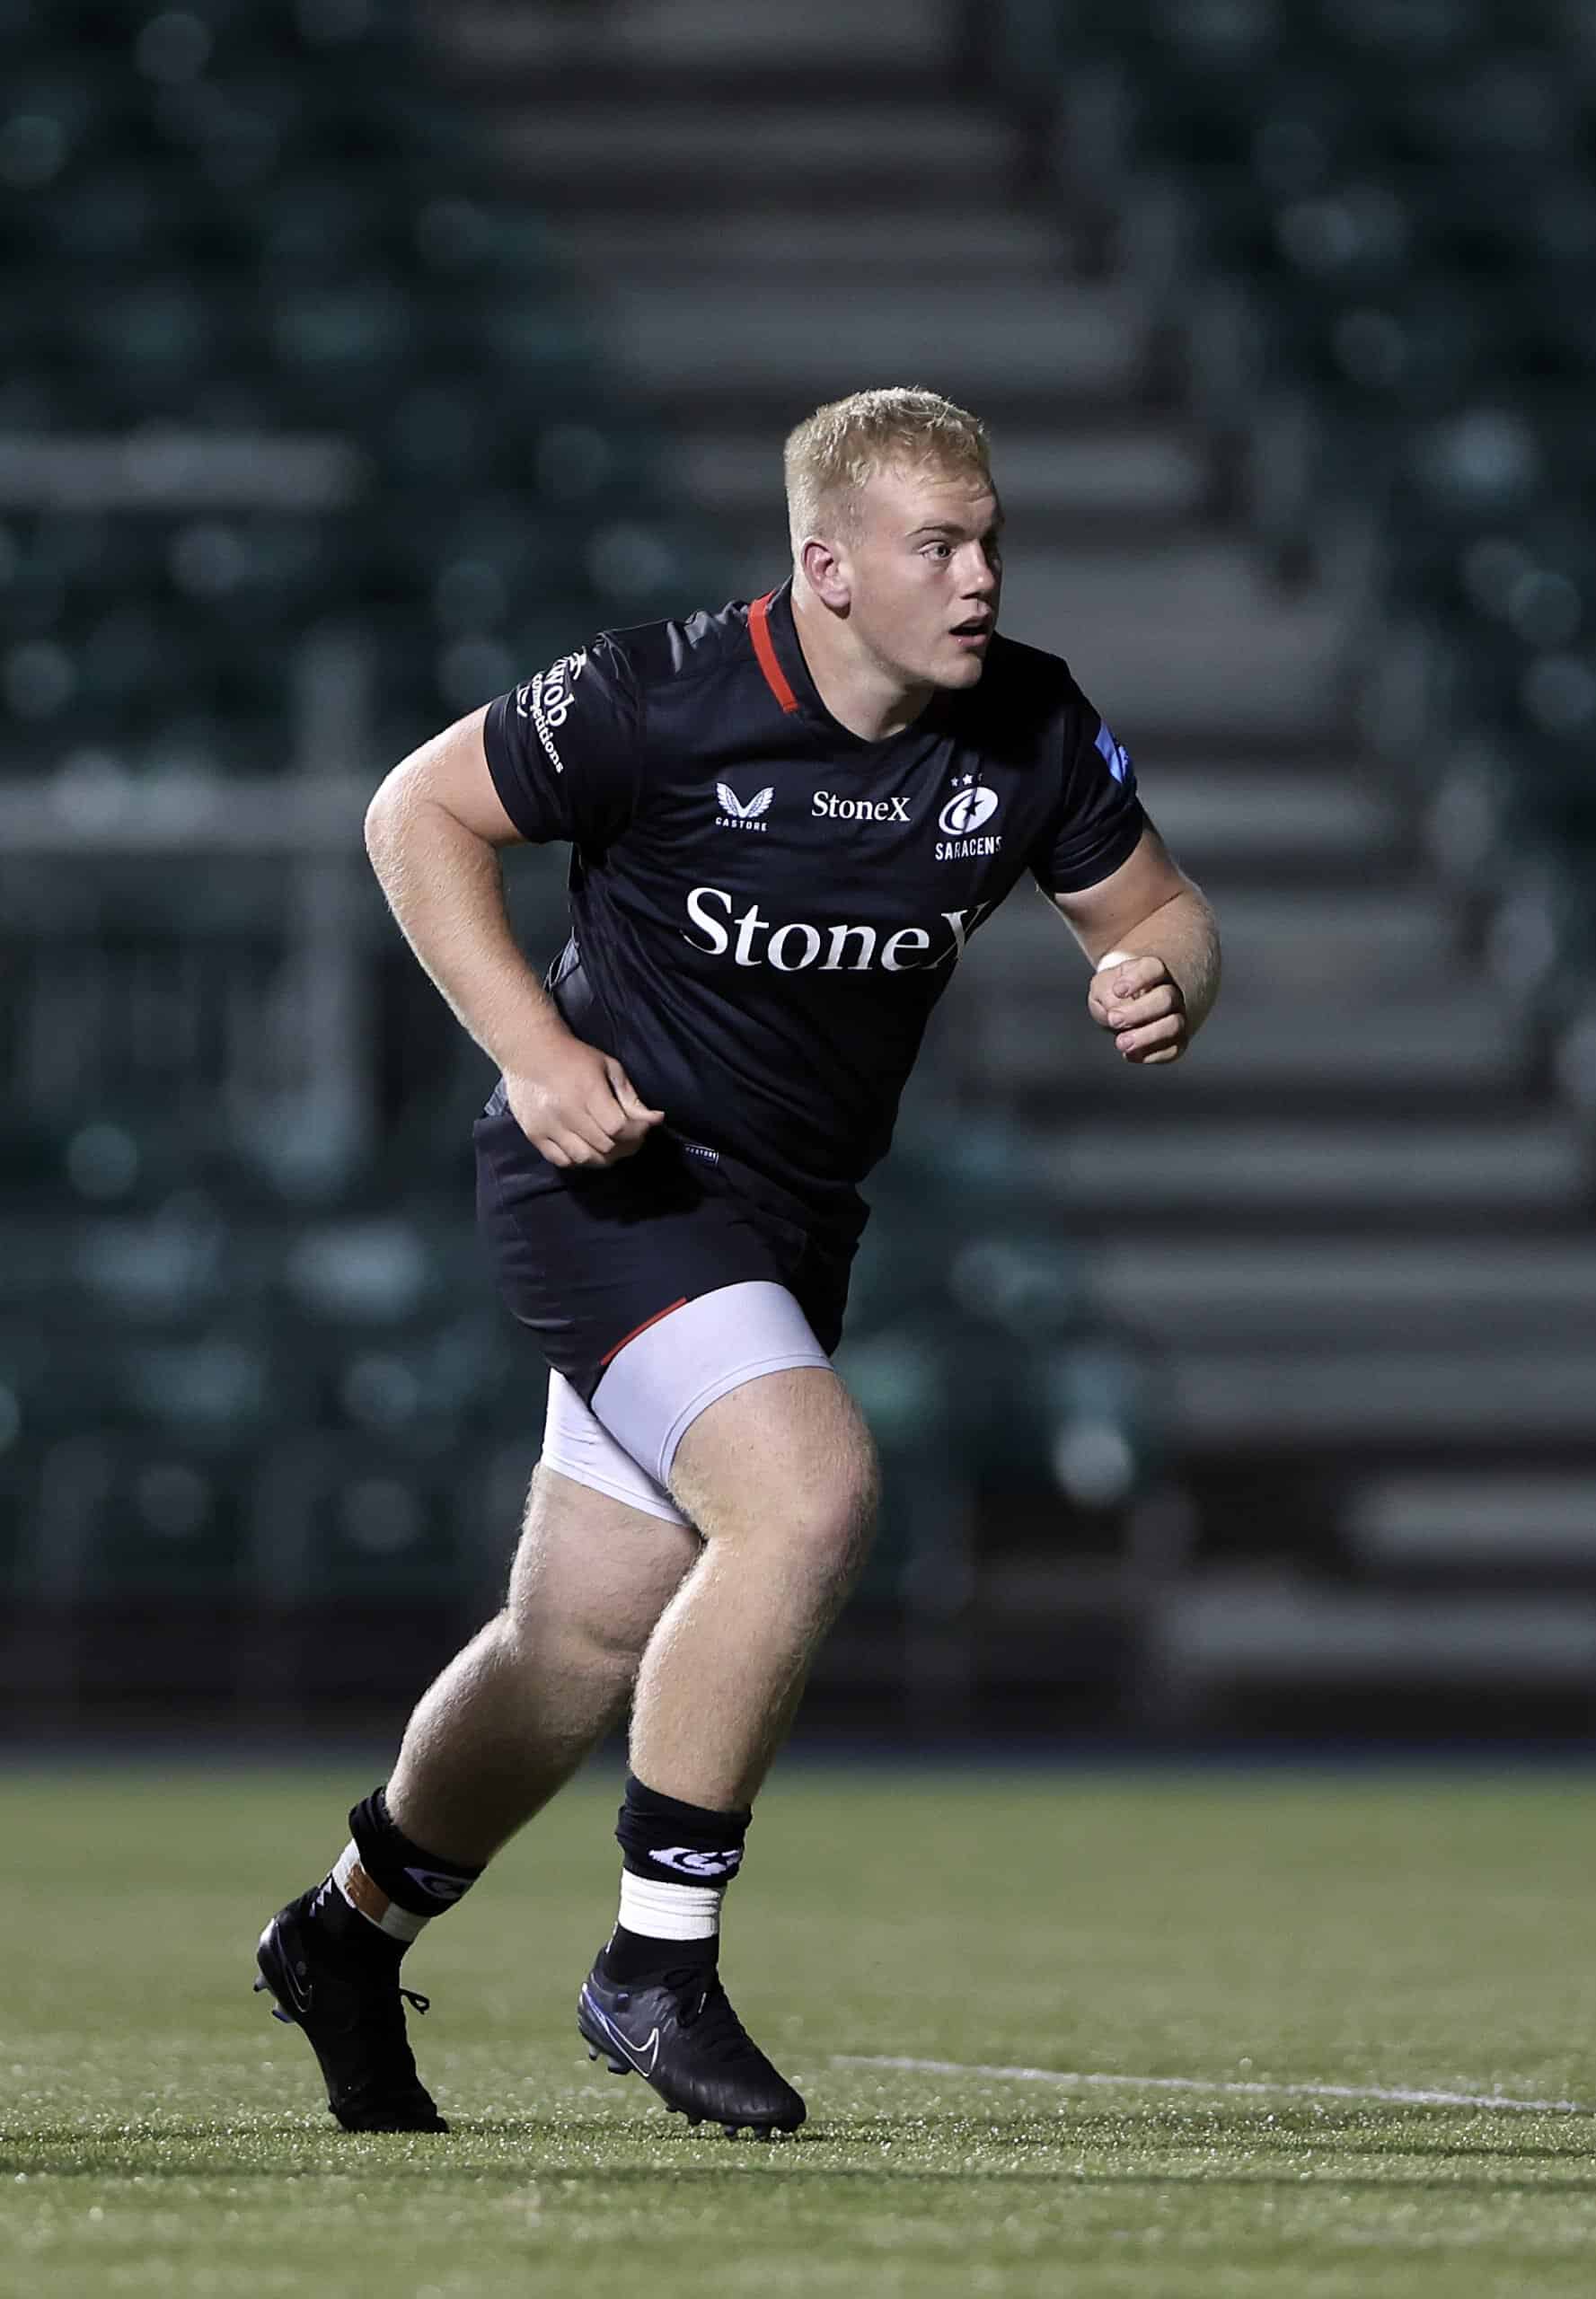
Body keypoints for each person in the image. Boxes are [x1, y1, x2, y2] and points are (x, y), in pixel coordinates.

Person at [253, 387, 1221, 2138]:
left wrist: (1170, 973)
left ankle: (349, 1925)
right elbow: (418, 812)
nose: (981, 573)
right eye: (940, 544)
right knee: (811, 1493)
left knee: (573, 1639)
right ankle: (656, 1963)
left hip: (782, 1228)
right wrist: (534, 1054)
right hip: (610, 1181)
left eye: (990, 535)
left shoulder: (1029, 725)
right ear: (827, 566)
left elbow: (1158, 907)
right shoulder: (661, 694)